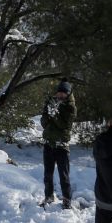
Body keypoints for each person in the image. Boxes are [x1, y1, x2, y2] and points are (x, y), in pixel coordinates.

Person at [40, 78, 77, 209]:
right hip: (48, 143)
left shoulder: (71, 108)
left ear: (68, 94)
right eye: (59, 92)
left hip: (62, 146)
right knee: (47, 174)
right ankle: (48, 197)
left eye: (64, 93)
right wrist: (48, 114)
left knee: (64, 175)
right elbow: (44, 123)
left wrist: (54, 114)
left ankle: (67, 200)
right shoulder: (50, 102)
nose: (60, 95)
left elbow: (63, 125)